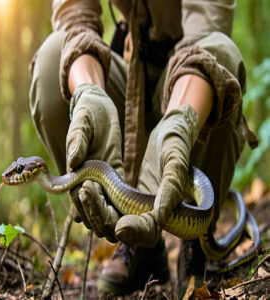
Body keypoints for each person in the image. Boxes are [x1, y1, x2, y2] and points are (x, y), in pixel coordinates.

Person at [29, 0, 258, 296]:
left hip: (187, 81)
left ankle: (195, 237)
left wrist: (179, 123)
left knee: (221, 52)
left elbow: (208, 33)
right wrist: (89, 92)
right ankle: (135, 238)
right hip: (129, 86)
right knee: (52, 57)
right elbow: (75, 16)